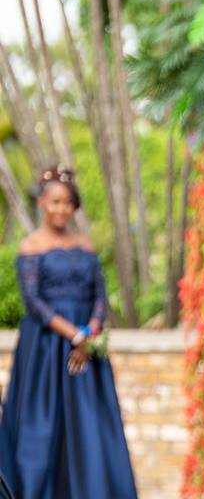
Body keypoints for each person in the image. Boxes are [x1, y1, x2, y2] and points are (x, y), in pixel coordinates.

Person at [0, 166, 138, 498]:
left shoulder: (86, 245)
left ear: (74, 206)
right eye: (55, 202)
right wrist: (74, 336)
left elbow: (100, 295)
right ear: (42, 203)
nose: (61, 209)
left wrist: (90, 333)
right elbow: (34, 302)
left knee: (90, 424)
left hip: (87, 353)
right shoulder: (31, 246)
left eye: (68, 203)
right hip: (46, 350)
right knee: (43, 425)